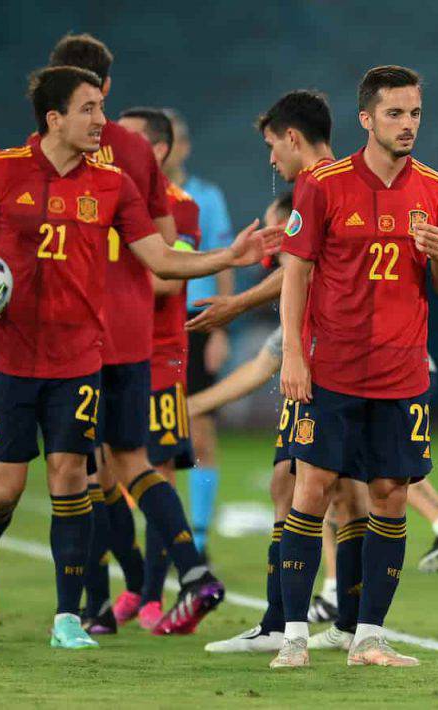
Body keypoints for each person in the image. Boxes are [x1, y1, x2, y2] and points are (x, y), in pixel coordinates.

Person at [0, 66, 279, 648]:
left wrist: (231, 256)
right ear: (55, 119)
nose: (103, 120)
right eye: (90, 108)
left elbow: (163, 260)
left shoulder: (112, 185)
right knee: (2, 490)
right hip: (8, 357)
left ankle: (68, 618)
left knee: (70, 478)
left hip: (78, 358)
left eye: (102, 107)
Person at [273, 65, 438, 669]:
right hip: (331, 370)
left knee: (390, 492)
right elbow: (296, 276)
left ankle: (370, 638)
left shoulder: (434, 188)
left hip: (402, 373)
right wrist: (293, 356)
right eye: (394, 114)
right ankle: (295, 637)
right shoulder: (323, 185)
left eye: (414, 115)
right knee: (314, 488)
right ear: (366, 118)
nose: (407, 125)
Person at [46, 33, 229, 636]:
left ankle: (130, 596)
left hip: (127, 343)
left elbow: (167, 267)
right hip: (129, 340)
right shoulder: (128, 163)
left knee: (94, 469)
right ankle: (145, 588)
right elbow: (165, 255)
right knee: (121, 466)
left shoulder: (76, 161)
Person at [199, 91, 338, 655]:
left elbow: (298, 273)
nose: (270, 159)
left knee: (334, 491)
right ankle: (286, 619)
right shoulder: (332, 182)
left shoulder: (323, 184)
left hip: (333, 360)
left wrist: (235, 306)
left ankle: (303, 625)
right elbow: (296, 271)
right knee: (297, 484)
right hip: (327, 356)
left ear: (293, 138)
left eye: (271, 145)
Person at [165, 110, 234, 554]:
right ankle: (167, 534)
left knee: (202, 432)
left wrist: (222, 330)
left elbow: (224, 258)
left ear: (184, 146)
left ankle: (200, 537)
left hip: (197, 321)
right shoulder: (136, 197)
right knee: (156, 437)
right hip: (151, 323)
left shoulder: (205, 198)